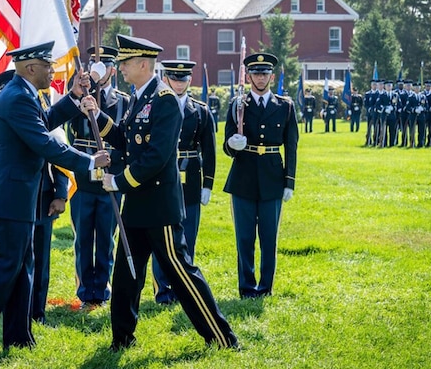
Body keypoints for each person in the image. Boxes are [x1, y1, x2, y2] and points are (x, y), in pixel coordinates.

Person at [0, 42, 110, 356]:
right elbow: (44, 142)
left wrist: (75, 97)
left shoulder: (23, 95)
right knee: (6, 270)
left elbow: (47, 120)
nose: (52, 71)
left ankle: (18, 336)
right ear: (29, 68)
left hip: (17, 198)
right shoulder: (16, 98)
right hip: (10, 198)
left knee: (22, 268)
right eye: (47, 65)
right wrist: (90, 161)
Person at [98, 34, 239, 351]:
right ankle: (122, 338)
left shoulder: (164, 100)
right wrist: (98, 117)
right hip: (137, 205)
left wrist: (118, 182)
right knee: (126, 276)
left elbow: (157, 156)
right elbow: (126, 138)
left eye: (125, 63)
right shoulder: (138, 97)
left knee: (181, 273)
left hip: (158, 206)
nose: (120, 69)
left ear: (143, 64)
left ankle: (221, 337)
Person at [224, 52, 299, 299]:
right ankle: (247, 287)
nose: (260, 77)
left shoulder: (285, 106)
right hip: (243, 177)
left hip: (272, 178)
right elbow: (226, 144)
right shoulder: (237, 105)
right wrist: (232, 145)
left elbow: (291, 145)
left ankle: (265, 288)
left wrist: (289, 181)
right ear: (248, 76)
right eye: (255, 73)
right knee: (244, 238)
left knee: (269, 238)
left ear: (271, 76)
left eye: (264, 73)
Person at [66, 45, 129, 307]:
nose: (98, 70)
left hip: (110, 177)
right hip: (82, 176)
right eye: (93, 64)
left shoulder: (124, 100)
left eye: (103, 65)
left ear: (112, 70)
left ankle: (101, 291)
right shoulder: (78, 96)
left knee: (106, 237)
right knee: (83, 237)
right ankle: (85, 292)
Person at [151, 60, 216, 305]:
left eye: (183, 79)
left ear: (190, 80)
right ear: (166, 79)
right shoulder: (156, 105)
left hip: (190, 178)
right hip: (162, 178)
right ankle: (163, 290)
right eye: (175, 78)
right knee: (161, 236)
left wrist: (207, 185)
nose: (179, 83)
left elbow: (209, 150)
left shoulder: (200, 110)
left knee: (188, 237)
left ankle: (184, 288)